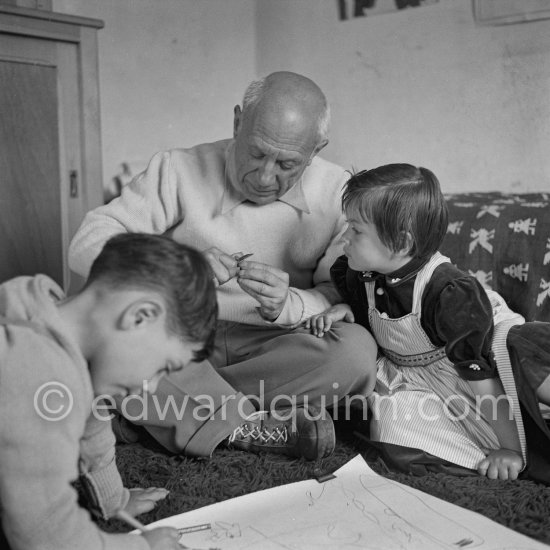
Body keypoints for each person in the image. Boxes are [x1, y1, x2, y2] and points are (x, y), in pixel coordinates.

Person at [68, 71, 377, 459]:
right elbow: (86, 244)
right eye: (256, 153)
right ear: (237, 122)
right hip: (179, 337)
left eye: (287, 164)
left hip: (275, 346)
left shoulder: (338, 191)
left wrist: (291, 305)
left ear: (316, 150)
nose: (265, 176)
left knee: (355, 352)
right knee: (107, 328)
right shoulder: (177, 169)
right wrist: (175, 267)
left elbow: (338, 295)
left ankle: (155, 410)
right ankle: (242, 424)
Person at [306, 163, 550, 484]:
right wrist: (341, 308)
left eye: (356, 229)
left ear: (402, 243)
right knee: (395, 430)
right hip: (418, 374)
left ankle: (517, 443)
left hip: (479, 361)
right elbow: (371, 312)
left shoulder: (449, 293)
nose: (345, 238)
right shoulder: (358, 271)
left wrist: (512, 448)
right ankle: (472, 453)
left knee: (521, 349)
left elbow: (484, 382)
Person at [0, 233, 218, 550]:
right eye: (164, 367)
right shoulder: (40, 373)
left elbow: (93, 419)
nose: (152, 385)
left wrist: (114, 499)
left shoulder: (40, 306)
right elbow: (45, 532)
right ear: (140, 316)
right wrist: (142, 547)